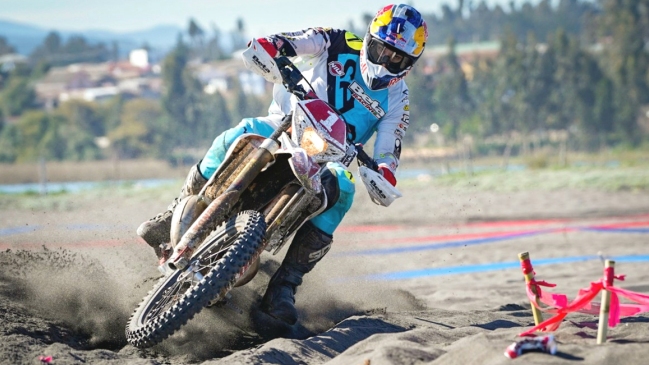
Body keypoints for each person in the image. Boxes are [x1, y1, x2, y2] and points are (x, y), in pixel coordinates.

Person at [137, 3, 428, 325]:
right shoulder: (334, 40)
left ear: (409, 63)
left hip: (331, 156)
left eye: (397, 57)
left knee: (344, 192)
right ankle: (172, 213)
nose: (386, 60)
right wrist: (272, 48)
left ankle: (284, 287)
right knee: (237, 133)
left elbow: (389, 148)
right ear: (369, 37)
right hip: (286, 123)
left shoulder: (398, 99)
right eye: (381, 49)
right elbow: (290, 42)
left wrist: (383, 172)